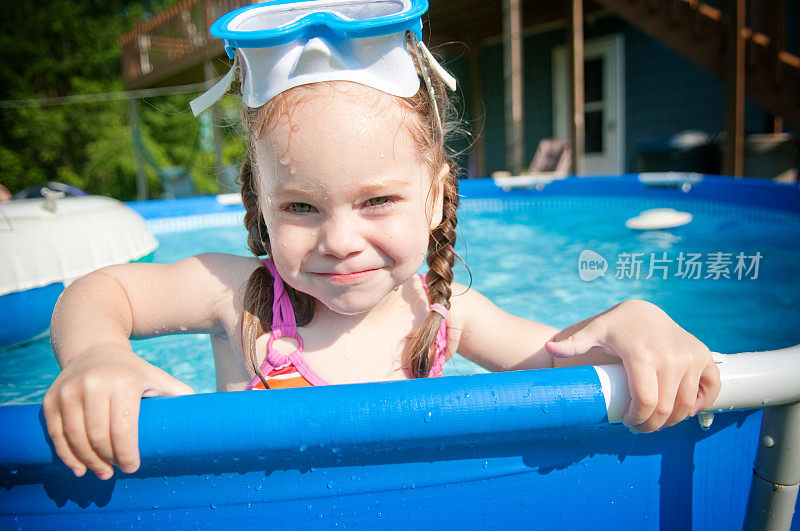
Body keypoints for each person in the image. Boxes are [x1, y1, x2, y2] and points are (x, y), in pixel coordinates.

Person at [43, 0, 720, 482]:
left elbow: (557, 363)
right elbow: (102, 290)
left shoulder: (444, 314)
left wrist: (632, 320)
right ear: (260, 201)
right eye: (302, 205)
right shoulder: (240, 295)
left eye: (378, 201)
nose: (340, 239)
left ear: (434, 196)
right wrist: (97, 355)